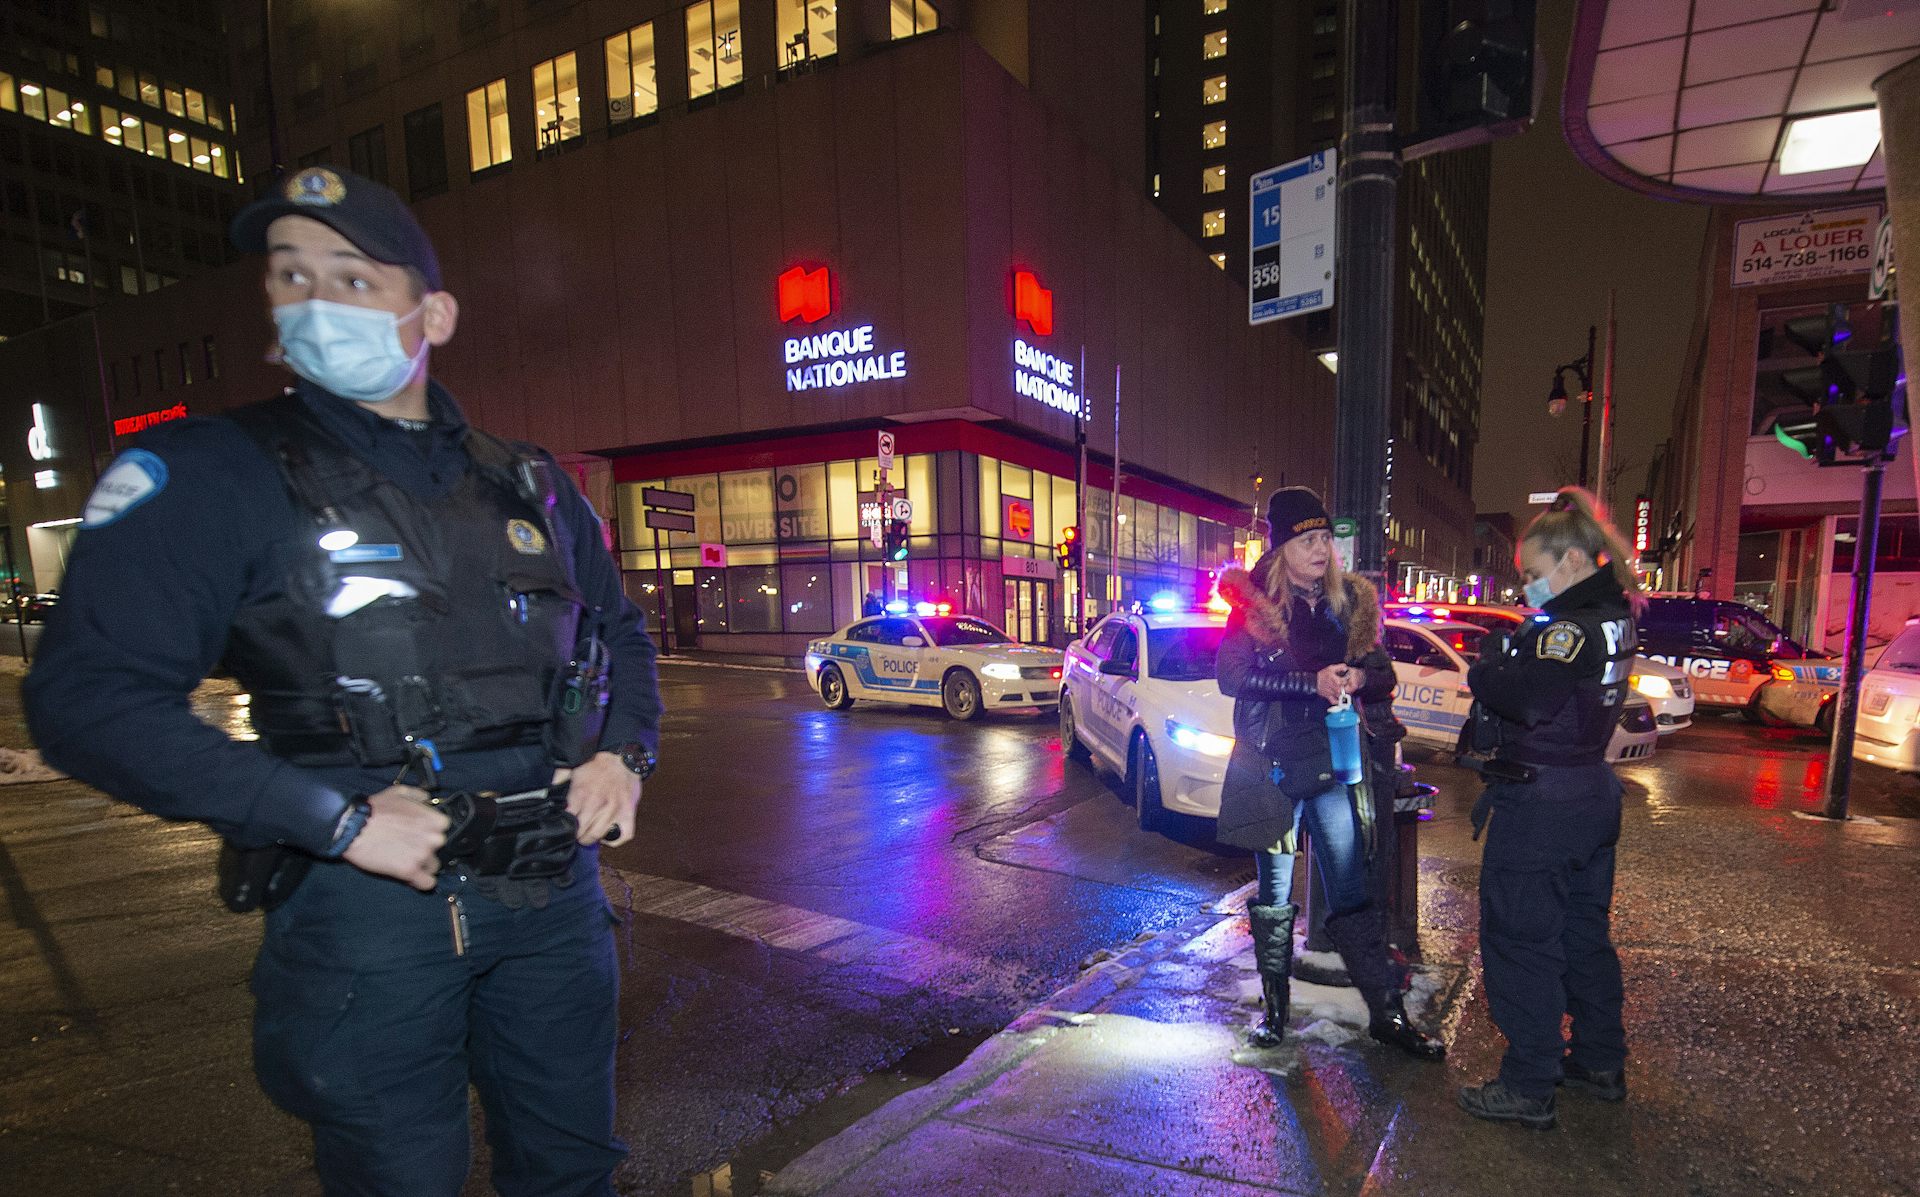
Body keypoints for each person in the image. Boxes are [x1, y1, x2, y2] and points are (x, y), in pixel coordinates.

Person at [24, 165, 662, 1194]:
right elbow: (86, 700)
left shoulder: (534, 483)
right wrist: (330, 819)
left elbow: (622, 633)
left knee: (574, 1169)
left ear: (433, 311)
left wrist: (622, 755)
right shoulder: (213, 474)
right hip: (369, 910)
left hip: (550, 890)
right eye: (292, 277)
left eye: (355, 279)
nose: (320, 303)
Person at [1216, 487, 1445, 1060]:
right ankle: (1274, 1014)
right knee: (1272, 895)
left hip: (1334, 764)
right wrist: (1310, 683)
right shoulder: (1254, 606)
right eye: (1309, 539)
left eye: (1327, 539)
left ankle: (1386, 1016)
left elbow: (1384, 673)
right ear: (1284, 545)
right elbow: (1231, 676)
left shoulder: (1349, 604)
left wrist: (1359, 681)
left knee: (1351, 891)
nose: (1323, 549)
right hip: (1271, 765)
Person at [1456, 487, 1640, 1131]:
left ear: (1571, 562)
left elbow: (1523, 698)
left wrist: (1485, 670)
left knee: (1522, 941)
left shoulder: (1567, 629)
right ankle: (1598, 1060)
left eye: (1534, 574)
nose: (1529, 587)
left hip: (1543, 805)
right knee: (1583, 936)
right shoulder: (1614, 614)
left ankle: (1529, 1083)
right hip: (1590, 792)